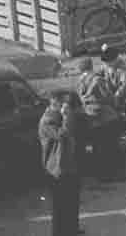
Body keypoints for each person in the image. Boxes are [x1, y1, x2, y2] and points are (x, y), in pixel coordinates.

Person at [39, 90, 83, 236]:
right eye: (62, 103)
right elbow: (62, 135)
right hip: (56, 169)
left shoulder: (59, 116)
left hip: (69, 165)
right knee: (59, 206)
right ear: (55, 103)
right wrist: (66, 117)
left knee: (72, 201)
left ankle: (72, 229)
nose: (65, 106)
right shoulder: (47, 120)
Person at [76, 56, 121, 181]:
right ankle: (111, 174)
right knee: (109, 146)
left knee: (97, 146)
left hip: (89, 115)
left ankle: (99, 174)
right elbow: (107, 96)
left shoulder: (80, 81)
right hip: (104, 116)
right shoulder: (97, 79)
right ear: (91, 66)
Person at [102, 45, 126, 144]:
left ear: (114, 60)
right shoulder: (106, 66)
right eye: (105, 63)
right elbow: (103, 75)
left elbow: (125, 84)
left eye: (108, 63)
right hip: (114, 96)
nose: (106, 65)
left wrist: (117, 95)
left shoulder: (122, 68)